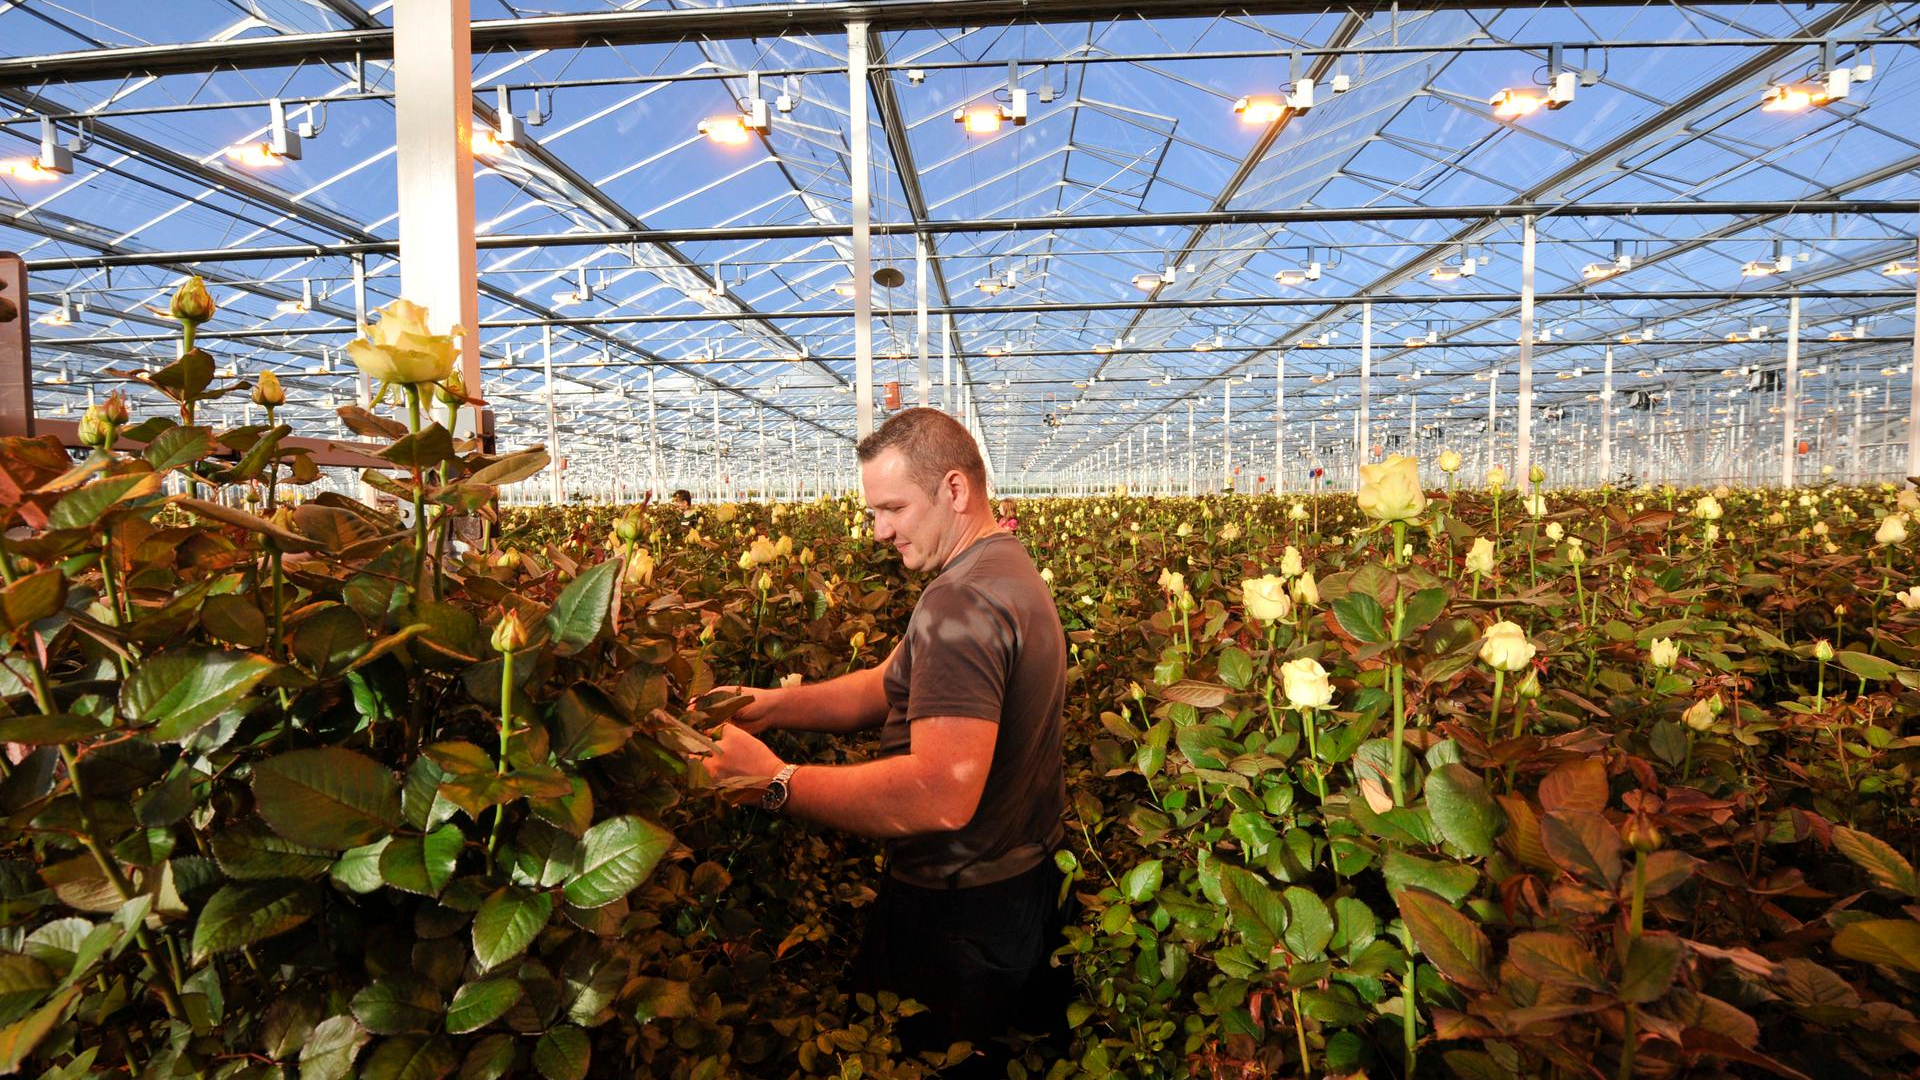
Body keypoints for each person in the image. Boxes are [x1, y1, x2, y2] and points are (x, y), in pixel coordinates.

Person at [704, 408, 1069, 1075]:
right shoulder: (1009, 571)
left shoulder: (959, 603)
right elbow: (885, 685)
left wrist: (773, 781)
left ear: (954, 490)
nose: (880, 531)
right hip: (1020, 886)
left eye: (894, 507)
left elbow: (939, 794)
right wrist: (774, 706)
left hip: (957, 919)